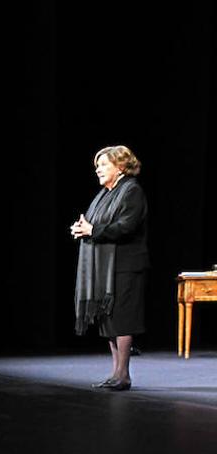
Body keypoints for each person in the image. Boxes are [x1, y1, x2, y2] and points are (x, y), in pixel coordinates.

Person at [71, 145, 148, 391]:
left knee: (122, 319)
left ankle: (123, 374)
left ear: (121, 166)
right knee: (110, 319)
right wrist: (82, 228)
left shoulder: (131, 191)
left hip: (126, 265)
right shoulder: (106, 194)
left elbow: (126, 226)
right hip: (108, 268)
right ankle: (116, 373)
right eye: (97, 166)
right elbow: (97, 223)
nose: (98, 170)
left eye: (103, 165)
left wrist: (93, 231)